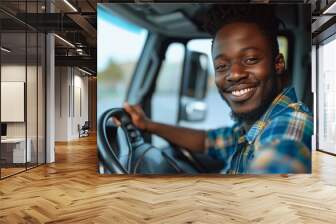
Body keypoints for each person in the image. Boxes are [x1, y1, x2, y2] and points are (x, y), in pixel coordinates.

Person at [123, 5, 313, 174]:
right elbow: (207, 141)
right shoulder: (250, 128)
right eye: (222, 66)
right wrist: (148, 125)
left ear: (278, 64)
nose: (234, 74)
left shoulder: (288, 126)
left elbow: (280, 158)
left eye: (250, 59)